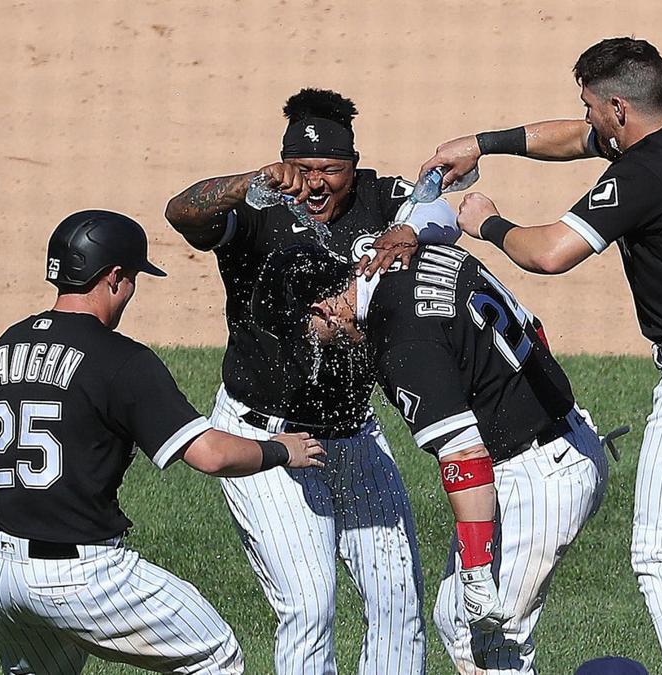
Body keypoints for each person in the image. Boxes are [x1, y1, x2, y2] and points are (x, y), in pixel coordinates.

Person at [422, 37, 662, 675]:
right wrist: (484, 142)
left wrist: (486, 222)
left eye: (591, 107)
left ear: (619, 108)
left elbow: (550, 252)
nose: (587, 120)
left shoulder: (641, 174)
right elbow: (576, 140)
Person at [164, 88, 459, 674]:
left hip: (354, 435)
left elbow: (446, 206)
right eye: (303, 170)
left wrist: (411, 233)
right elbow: (181, 211)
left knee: (398, 605)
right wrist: (245, 181)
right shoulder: (257, 207)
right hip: (266, 440)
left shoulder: (379, 198)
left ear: (354, 165)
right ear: (283, 164)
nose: (317, 184)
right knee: (310, 605)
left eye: (332, 170)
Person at [0, 209, 324, 674]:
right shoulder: (122, 360)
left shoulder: (9, 344)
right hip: (81, 577)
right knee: (215, 654)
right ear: (114, 277)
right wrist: (282, 450)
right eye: (134, 277)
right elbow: (210, 455)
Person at [249, 242, 611, 674]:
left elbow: (465, 457)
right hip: (558, 439)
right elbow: (534, 327)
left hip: (537, 475)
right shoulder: (410, 254)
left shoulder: (402, 342)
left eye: (306, 329)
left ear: (324, 308)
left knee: (483, 643)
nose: (311, 343)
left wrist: (476, 568)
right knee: (452, 617)